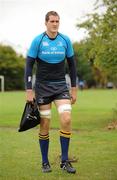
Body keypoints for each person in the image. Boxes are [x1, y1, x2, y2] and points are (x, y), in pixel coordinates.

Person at [25, 11, 77, 174]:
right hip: (42, 88)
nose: (55, 24)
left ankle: (64, 161)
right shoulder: (38, 40)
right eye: (52, 21)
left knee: (67, 118)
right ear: (46, 23)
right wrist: (28, 90)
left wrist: (74, 88)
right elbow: (28, 66)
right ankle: (45, 162)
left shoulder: (65, 40)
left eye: (57, 21)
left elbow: (72, 65)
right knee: (45, 124)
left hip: (61, 86)